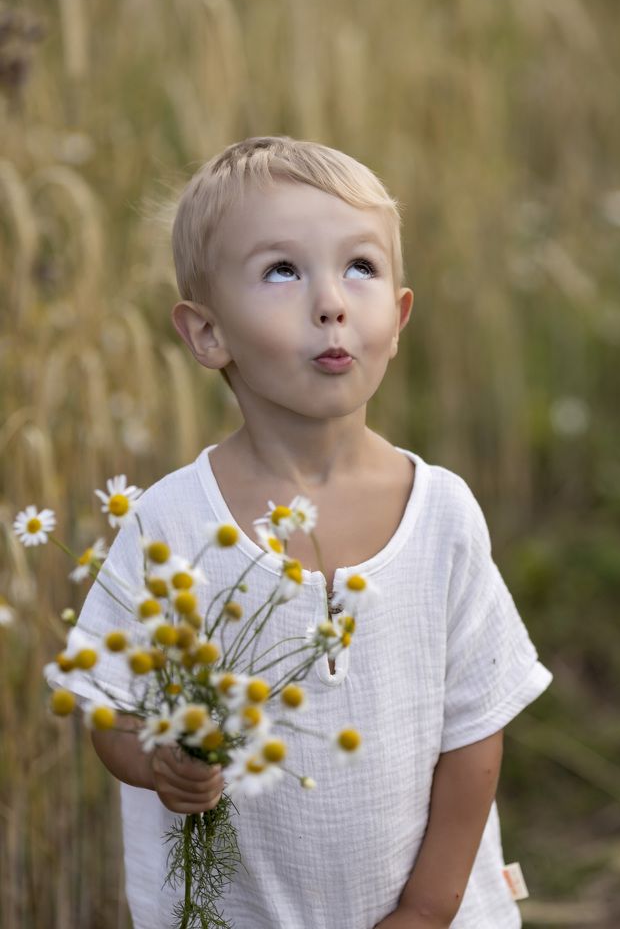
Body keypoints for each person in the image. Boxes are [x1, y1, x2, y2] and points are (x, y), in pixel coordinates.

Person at [50, 135, 552, 928]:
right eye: (282, 270)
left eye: (361, 266)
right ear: (207, 333)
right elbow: (110, 708)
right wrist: (157, 764)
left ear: (400, 314)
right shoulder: (173, 525)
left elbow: (474, 733)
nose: (332, 301)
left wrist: (426, 911)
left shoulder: (442, 512)